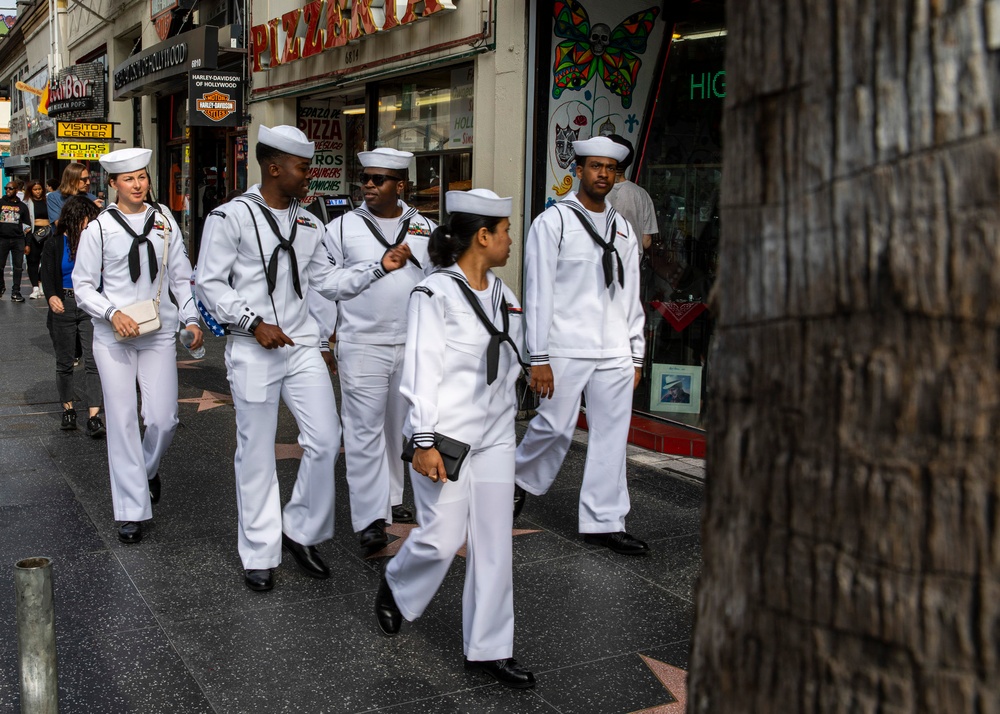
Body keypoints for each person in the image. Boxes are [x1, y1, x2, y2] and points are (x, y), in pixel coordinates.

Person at [196, 125, 413, 592]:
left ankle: (300, 529)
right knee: (255, 452)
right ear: (275, 168)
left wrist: (378, 267)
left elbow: (326, 284)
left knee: (325, 438)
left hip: (299, 347)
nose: (310, 175)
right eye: (303, 167)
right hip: (253, 348)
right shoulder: (230, 217)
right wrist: (253, 321)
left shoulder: (311, 223)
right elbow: (209, 284)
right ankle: (259, 552)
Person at [376, 189, 536, 689]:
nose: (511, 239)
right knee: (442, 536)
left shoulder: (503, 293)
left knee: (493, 543)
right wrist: (422, 441)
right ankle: (397, 585)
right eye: (505, 230)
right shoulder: (434, 293)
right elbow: (422, 369)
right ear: (482, 236)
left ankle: (489, 648)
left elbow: (511, 355)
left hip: (494, 434)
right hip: (444, 435)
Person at [514, 136, 649, 556]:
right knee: (554, 426)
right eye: (595, 166)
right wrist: (538, 356)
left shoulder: (623, 227)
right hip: (565, 346)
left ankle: (604, 521)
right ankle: (515, 481)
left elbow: (631, 296)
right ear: (579, 170)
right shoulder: (553, 222)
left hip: (613, 350)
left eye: (610, 168)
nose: (603, 174)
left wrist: (636, 351)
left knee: (612, 435)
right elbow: (538, 293)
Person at [73, 148, 204, 544]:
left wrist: (192, 317)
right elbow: (81, 286)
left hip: (159, 331)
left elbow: (182, 276)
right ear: (113, 184)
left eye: (142, 177)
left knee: (163, 418)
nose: (137, 184)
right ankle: (130, 511)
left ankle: (145, 470)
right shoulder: (97, 229)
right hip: (113, 336)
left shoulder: (165, 222)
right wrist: (112, 312)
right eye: (128, 179)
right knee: (123, 419)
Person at [322, 147, 435, 555]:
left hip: (412, 343)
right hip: (362, 343)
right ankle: (370, 519)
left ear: (400, 185)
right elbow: (326, 283)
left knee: (398, 429)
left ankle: (391, 500)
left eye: (378, 179)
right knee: (363, 431)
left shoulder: (425, 228)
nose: (368, 185)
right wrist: (324, 338)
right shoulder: (341, 228)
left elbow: (443, 281)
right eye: (365, 178)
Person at [40, 195, 105, 436]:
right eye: (87, 219)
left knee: (93, 361)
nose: (91, 224)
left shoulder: (96, 242)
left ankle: (94, 415)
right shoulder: (55, 243)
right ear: (75, 219)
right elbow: (47, 273)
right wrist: (51, 296)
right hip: (64, 304)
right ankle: (68, 409)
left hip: (91, 307)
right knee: (64, 362)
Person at [606, 134, 657, 257]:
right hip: (630, 266)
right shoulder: (641, 195)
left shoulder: (594, 191)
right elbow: (646, 242)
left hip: (600, 266)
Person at [0, 181, 31, 302]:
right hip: (2, 239)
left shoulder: (22, 207)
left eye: (11, 188)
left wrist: (27, 244)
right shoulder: (0, 203)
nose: (8, 190)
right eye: (6, 188)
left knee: (18, 267)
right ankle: (1, 286)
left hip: (18, 239)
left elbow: (27, 226)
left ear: (16, 190)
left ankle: (16, 291)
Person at [24, 180, 51, 300]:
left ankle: (41, 284)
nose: (38, 192)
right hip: (33, 233)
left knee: (46, 260)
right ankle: (35, 286)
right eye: (35, 189)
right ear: (30, 190)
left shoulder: (48, 201)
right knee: (33, 260)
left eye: (39, 189)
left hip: (48, 233)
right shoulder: (27, 203)